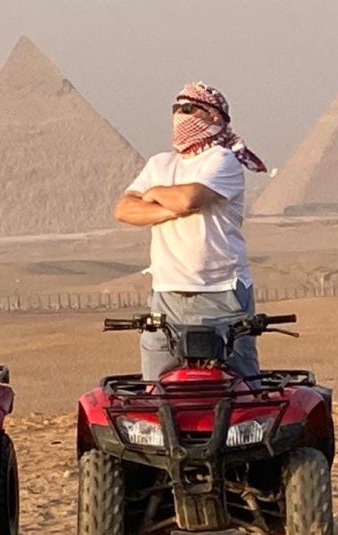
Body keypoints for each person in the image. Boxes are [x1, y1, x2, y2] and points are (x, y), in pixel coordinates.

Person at [114, 81, 267, 380]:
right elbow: (124, 209)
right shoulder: (160, 163)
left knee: (242, 391)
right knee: (157, 392)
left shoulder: (222, 161)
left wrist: (155, 192)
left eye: (188, 108)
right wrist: (172, 210)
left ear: (214, 116)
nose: (179, 116)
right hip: (166, 295)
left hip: (221, 294)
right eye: (175, 109)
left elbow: (189, 198)